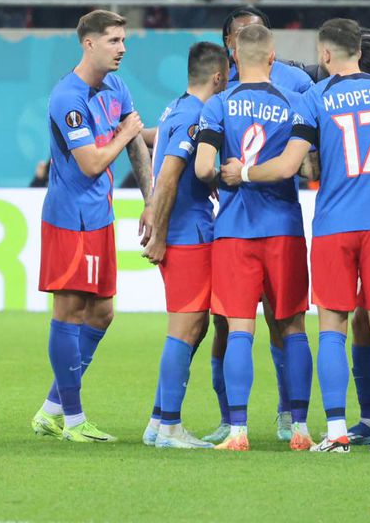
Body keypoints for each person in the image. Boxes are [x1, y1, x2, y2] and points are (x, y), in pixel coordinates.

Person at [219, 19, 370, 454]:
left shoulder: (315, 97)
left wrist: (245, 172)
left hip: (336, 224)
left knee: (333, 326)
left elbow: (290, 166)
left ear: (327, 55)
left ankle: (335, 433)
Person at [31, 10, 153, 443]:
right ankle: (75, 420)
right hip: (69, 222)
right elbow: (91, 163)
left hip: (99, 217)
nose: (122, 48)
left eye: (124, 40)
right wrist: (124, 134)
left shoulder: (116, 87)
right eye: (114, 41)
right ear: (89, 44)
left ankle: (50, 409)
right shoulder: (68, 97)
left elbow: (137, 143)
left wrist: (152, 201)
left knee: (102, 313)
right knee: (69, 313)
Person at [193, 24, 313, 452]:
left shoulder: (219, 104)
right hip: (283, 229)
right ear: (273, 57)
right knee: (293, 327)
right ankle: (300, 428)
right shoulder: (297, 103)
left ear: (236, 60)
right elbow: (306, 168)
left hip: (234, 232)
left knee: (239, 329)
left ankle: (238, 431)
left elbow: (203, 168)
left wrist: (229, 171)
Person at [140, 43, 230, 449]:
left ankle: (158, 421)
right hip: (187, 232)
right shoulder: (196, 115)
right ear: (217, 76)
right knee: (187, 327)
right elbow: (172, 174)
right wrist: (158, 232)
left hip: (180, 230)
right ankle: (170, 427)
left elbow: (147, 148)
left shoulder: (173, 108)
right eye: (226, 75)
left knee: (189, 330)